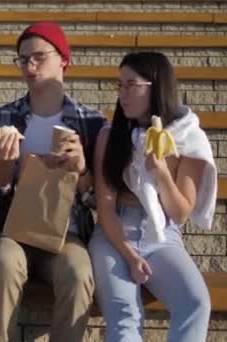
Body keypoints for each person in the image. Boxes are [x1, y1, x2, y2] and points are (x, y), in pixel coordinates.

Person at [0, 22, 107, 342]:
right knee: (4, 262)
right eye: (23, 60)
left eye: (39, 57)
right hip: (11, 231)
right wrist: (3, 170)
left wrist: (81, 170)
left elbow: (99, 201)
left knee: (78, 273)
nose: (30, 66)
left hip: (65, 234)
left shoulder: (91, 123)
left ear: (64, 59)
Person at [89, 51, 216, 342]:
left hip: (161, 234)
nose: (122, 94)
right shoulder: (110, 137)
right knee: (125, 316)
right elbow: (105, 208)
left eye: (130, 85)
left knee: (195, 303)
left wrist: (160, 174)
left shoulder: (188, 140)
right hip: (114, 232)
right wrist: (130, 256)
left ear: (155, 86)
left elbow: (181, 212)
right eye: (119, 85)